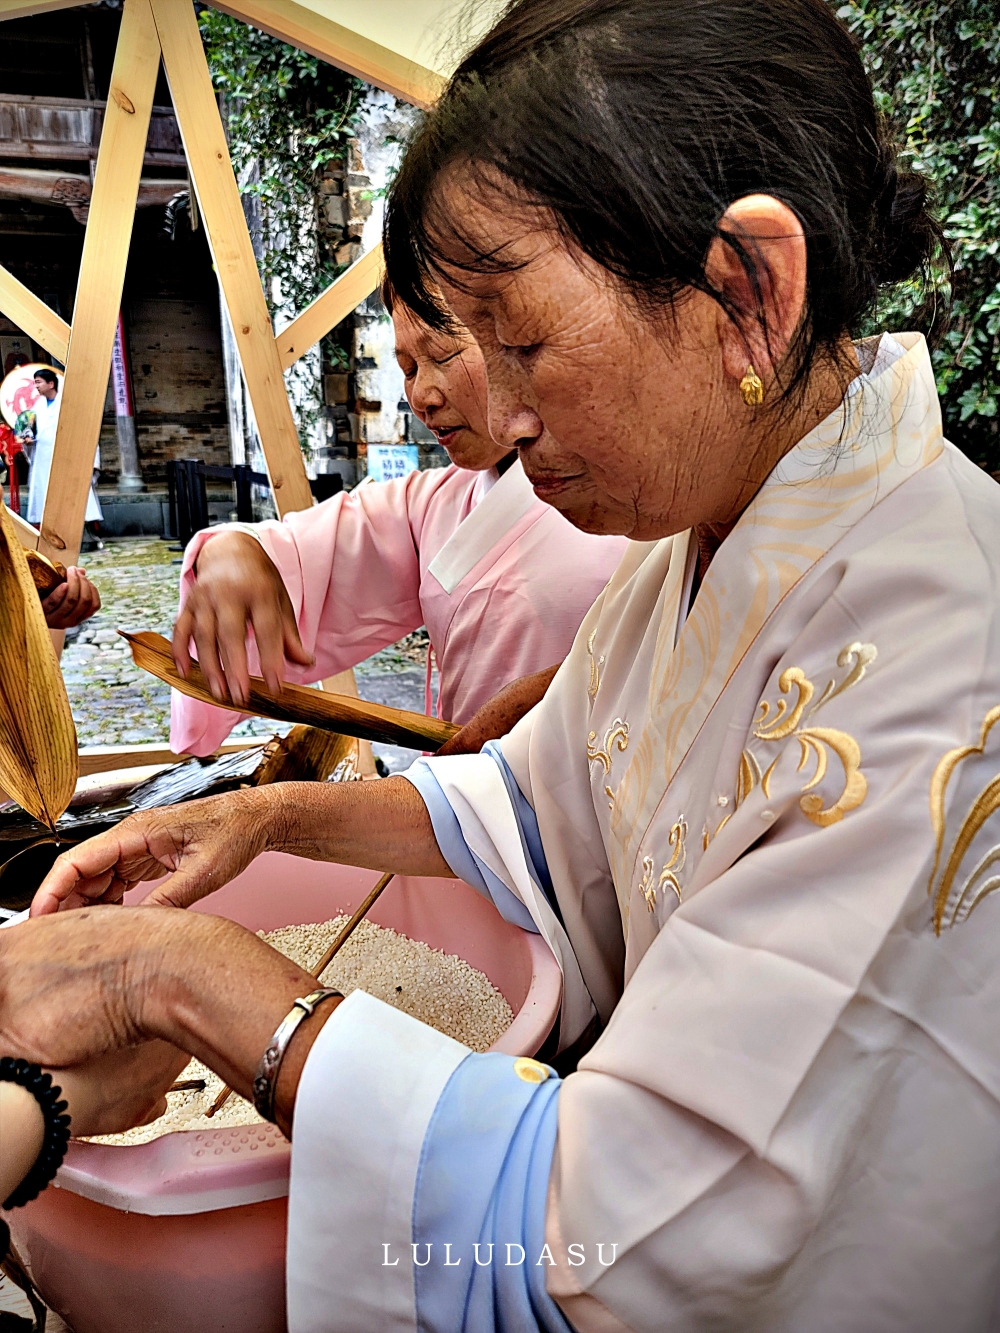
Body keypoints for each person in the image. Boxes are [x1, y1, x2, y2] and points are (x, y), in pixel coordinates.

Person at [4, 1, 1000, 1330]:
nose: (495, 409)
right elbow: (533, 801)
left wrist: (172, 975)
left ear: (747, 294)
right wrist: (268, 818)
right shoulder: (691, 544)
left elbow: (624, 1230)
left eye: (515, 339)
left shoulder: (935, 669)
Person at [169, 281, 627, 755]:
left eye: (443, 356)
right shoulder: (436, 502)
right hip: (464, 805)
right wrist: (235, 554)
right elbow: (308, 555)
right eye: (407, 368)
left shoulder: (643, 506)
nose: (421, 396)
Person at [21, 367, 103, 544]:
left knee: (75, 495)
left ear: (51, 384)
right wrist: (28, 438)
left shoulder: (69, 405)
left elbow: (84, 431)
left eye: (38, 382)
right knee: (48, 496)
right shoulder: (36, 407)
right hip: (44, 458)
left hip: (68, 458)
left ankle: (84, 537)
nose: (36, 386)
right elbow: (30, 429)